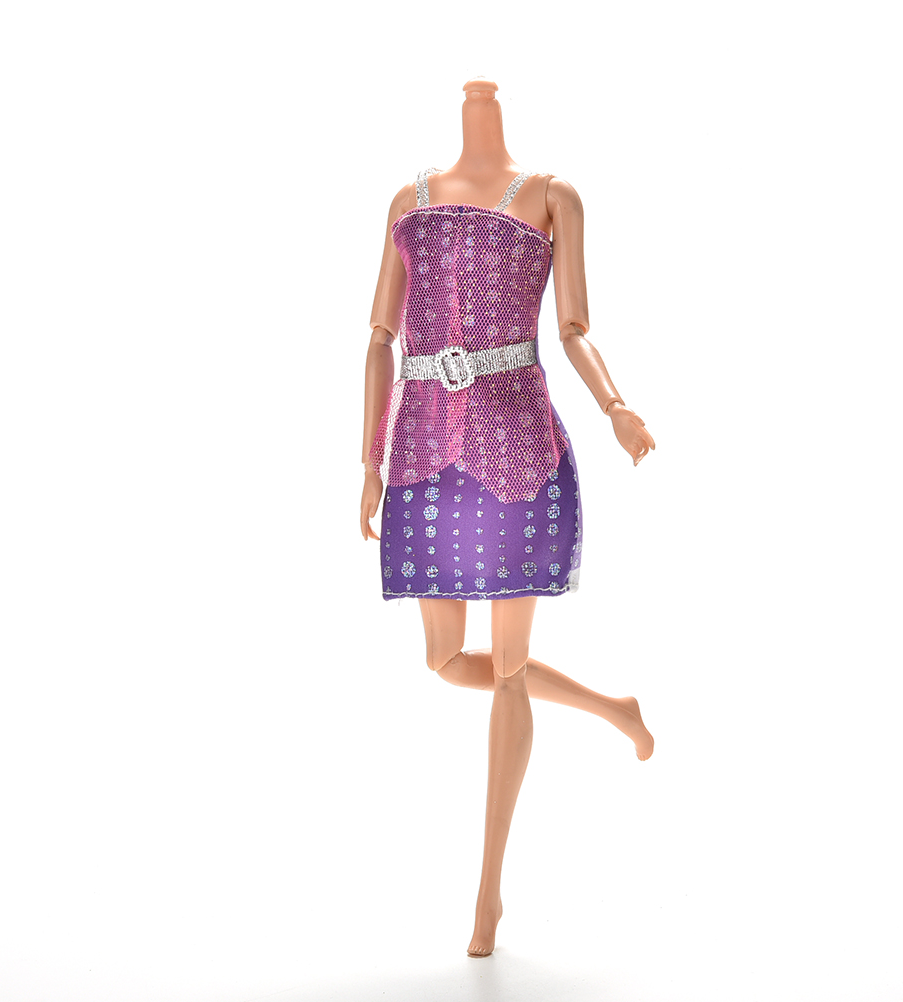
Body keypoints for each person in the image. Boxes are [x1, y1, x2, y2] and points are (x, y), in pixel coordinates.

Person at [360, 78, 655, 957]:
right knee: (447, 660)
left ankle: (488, 895)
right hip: (422, 449)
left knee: (512, 668)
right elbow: (378, 339)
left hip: (518, 450)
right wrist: (367, 463)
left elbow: (574, 329)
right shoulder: (407, 200)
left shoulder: (552, 196)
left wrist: (617, 407)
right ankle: (614, 706)